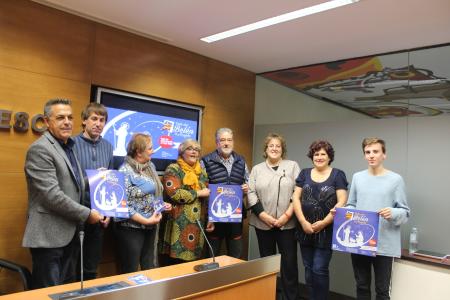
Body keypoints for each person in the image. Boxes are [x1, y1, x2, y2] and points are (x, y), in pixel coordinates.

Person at [22, 99, 103, 289]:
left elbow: (71, 183)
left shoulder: (68, 146)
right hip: (48, 237)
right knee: (48, 292)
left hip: (70, 234)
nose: (67, 122)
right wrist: (87, 214)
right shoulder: (40, 149)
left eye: (69, 117)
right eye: (60, 118)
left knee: (67, 291)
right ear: (47, 121)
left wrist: (96, 179)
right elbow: (52, 196)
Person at [346, 138, 410, 300]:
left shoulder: (396, 179)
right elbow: (351, 205)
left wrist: (393, 213)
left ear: (384, 155)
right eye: (368, 152)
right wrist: (341, 213)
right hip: (360, 242)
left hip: (384, 244)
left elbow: (405, 212)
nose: (371, 155)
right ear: (364, 155)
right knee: (361, 287)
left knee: (382, 291)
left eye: (375, 151)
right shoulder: (357, 177)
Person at [293, 140, 348, 300]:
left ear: (329, 156)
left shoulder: (338, 174)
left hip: (326, 230)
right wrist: (303, 222)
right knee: (309, 270)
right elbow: (296, 198)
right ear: (312, 156)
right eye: (316, 154)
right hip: (305, 229)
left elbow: (342, 201)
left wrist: (323, 223)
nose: (319, 157)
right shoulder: (304, 173)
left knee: (319, 269)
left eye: (323, 154)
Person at [247, 133, 300, 300]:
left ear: (282, 149)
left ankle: (290, 297)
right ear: (266, 149)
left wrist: (287, 215)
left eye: (278, 146)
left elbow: (298, 192)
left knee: (289, 264)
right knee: (267, 263)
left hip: (287, 224)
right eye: (271, 146)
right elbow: (250, 192)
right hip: (263, 224)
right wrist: (262, 215)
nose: (275, 148)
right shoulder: (257, 169)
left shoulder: (292, 166)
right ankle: (268, 295)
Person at [114, 133, 171, 273]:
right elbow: (122, 205)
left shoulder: (150, 165)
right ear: (139, 152)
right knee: (130, 269)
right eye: (150, 148)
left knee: (149, 267)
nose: (153, 151)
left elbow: (155, 191)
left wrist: (161, 206)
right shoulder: (124, 171)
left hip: (150, 226)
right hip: (131, 228)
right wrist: (146, 221)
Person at [73, 103, 113, 280]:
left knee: (91, 266)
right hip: (76, 213)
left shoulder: (108, 146)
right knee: (72, 266)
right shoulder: (71, 144)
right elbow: (69, 182)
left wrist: (109, 212)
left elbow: (111, 181)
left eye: (102, 120)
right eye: (94, 119)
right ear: (84, 120)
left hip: (100, 215)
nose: (98, 123)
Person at [160, 139, 210, 264]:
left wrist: (211, 218)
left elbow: (207, 194)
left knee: (193, 266)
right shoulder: (173, 169)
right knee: (175, 266)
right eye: (190, 149)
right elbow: (174, 193)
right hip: (178, 224)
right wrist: (198, 193)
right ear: (182, 151)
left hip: (198, 225)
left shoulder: (201, 171)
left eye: (197, 150)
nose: (194, 152)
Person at [201, 128, 249, 258]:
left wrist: (246, 188)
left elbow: (248, 183)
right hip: (214, 217)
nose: (226, 143)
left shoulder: (241, 160)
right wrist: (208, 215)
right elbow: (200, 187)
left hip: (235, 216)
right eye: (222, 140)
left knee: (236, 255)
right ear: (217, 143)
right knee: (211, 256)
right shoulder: (206, 161)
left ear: (233, 142)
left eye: (229, 140)